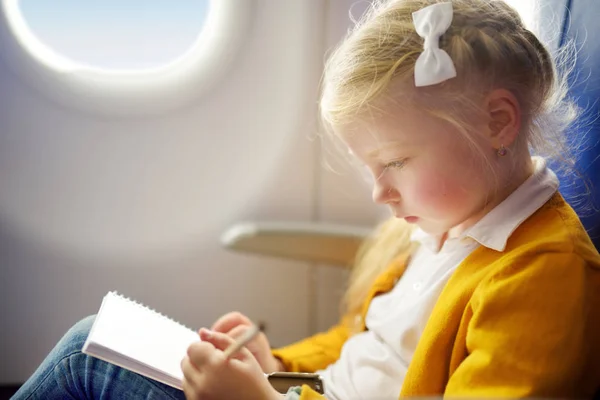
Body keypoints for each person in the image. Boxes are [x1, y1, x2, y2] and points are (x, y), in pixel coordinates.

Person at [12, 0, 600, 399]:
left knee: (84, 359)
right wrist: (276, 366)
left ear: (497, 122)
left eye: (394, 161)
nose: (379, 191)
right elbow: (364, 347)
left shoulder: (541, 276)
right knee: (99, 339)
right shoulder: (450, 223)